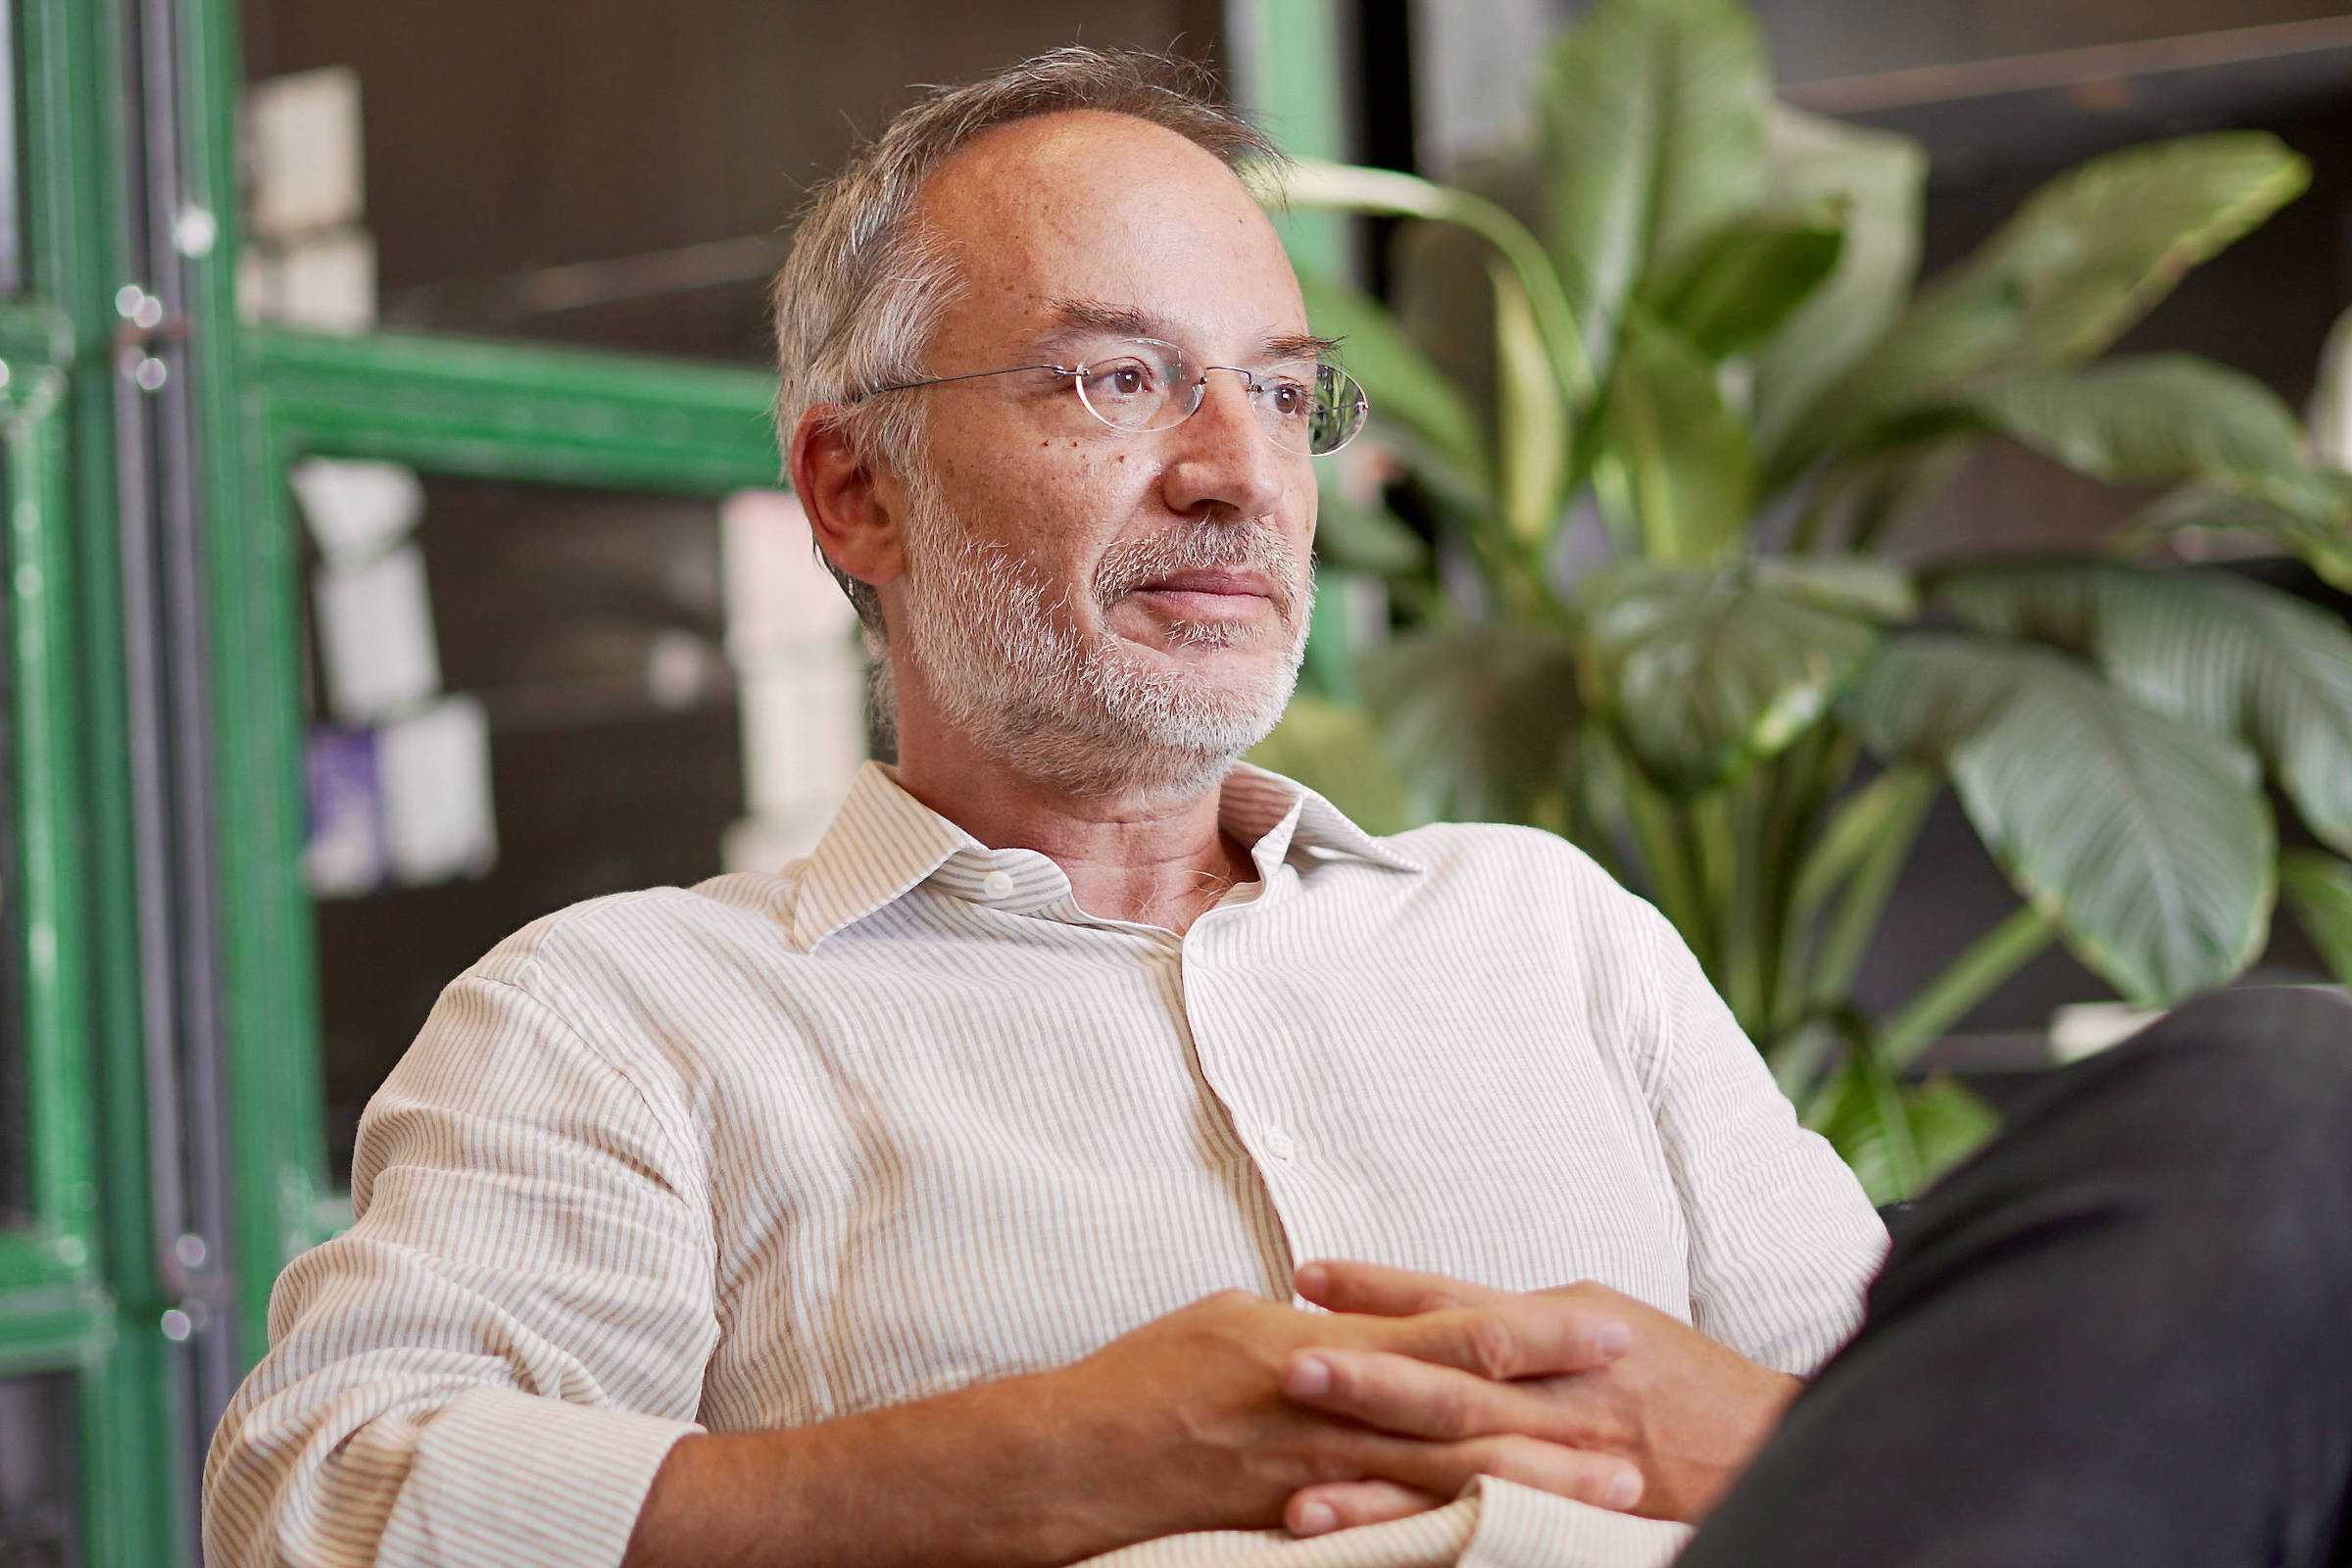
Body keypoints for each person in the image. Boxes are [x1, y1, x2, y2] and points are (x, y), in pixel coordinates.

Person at [202, 47, 2352, 1568]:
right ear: (857, 485)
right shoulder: (626, 1018)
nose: (1242, 468)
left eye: (1287, 389)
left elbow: (2008, 1459)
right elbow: (330, 1496)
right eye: (1115, 377)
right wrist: (1034, 1467)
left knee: (2286, 1087)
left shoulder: (1551, 928)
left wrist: (1746, 1435)